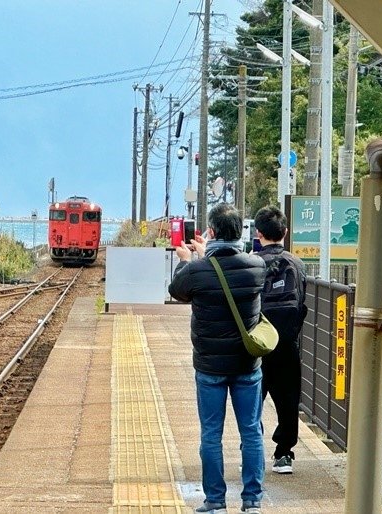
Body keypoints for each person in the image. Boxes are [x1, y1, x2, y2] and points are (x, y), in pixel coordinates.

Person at [169, 203, 266, 514]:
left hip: (210, 366)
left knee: (211, 433)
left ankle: (215, 501)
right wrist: (204, 256)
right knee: (251, 430)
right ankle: (252, 501)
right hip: (247, 365)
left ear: (210, 232)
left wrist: (188, 260)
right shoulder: (255, 266)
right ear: (240, 232)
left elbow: (178, 291)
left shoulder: (197, 270)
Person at [254, 206, 307, 475]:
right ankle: (284, 454)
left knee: (252, 401)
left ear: (258, 233)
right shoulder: (296, 264)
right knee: (288, 400)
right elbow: (303, 304)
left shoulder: (251, 263)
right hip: (288, 343)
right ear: (285, 232)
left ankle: (253, 453)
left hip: (256, 345)